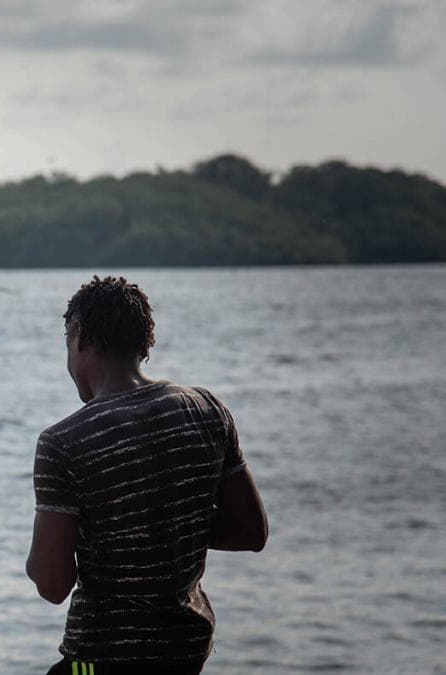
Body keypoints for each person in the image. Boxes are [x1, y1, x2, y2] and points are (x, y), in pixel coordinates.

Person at [27, 275, 268, 675]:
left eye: (68, 343)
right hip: (184, 656)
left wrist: (40, 560)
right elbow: (251, 532)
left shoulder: (63, 442)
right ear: (144, 341)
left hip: (98, 663)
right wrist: (168, 524)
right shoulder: (207, 410)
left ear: (79, 335)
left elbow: (52, 585)